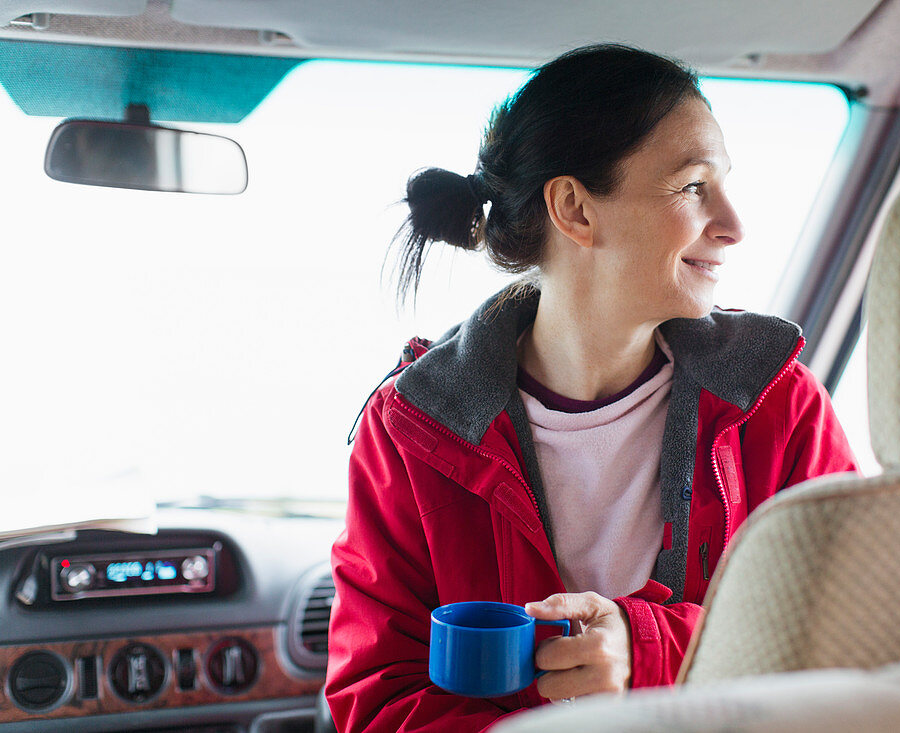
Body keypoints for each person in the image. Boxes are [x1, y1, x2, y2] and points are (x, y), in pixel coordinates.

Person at [326, 44, 858, 732]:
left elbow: (848, 636)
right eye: (695, 186)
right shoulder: (412, 430)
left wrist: (649, 650)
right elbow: (379, 695)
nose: (733, 224)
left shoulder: (779, 406)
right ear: (575, 208)